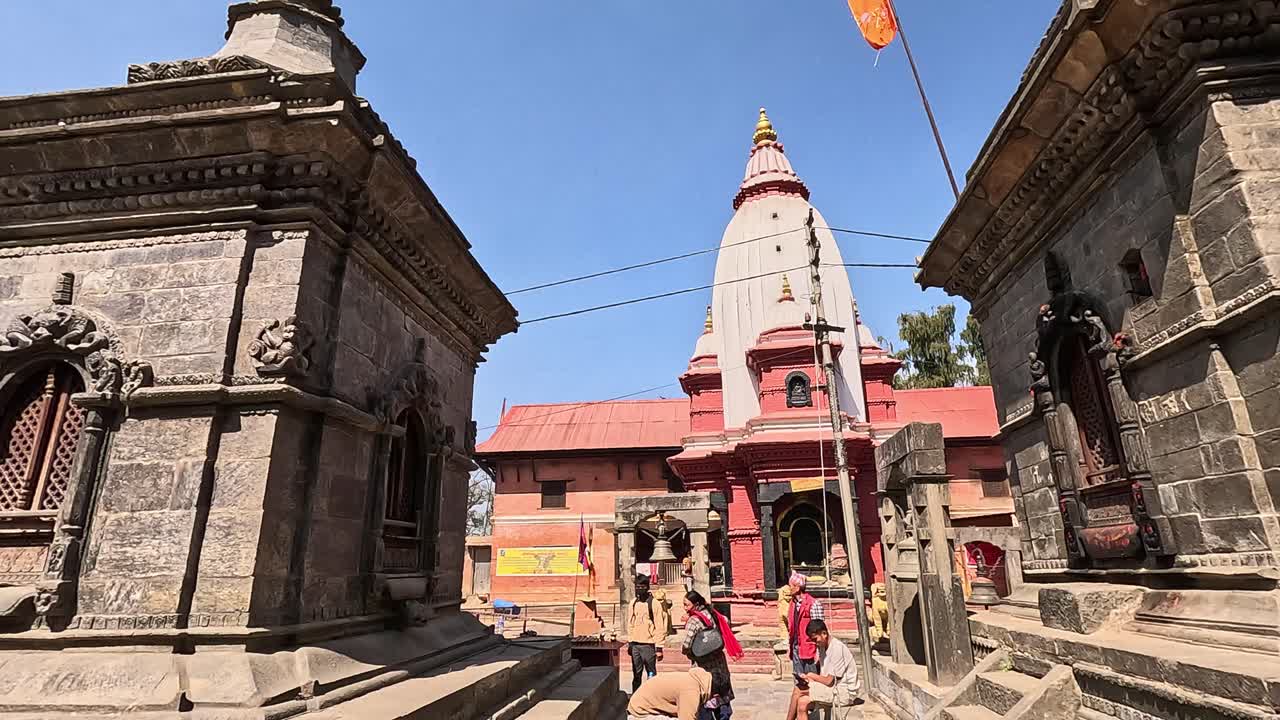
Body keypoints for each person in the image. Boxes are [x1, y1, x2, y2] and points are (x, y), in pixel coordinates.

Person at [681, 590, 743, 720]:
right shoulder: (713, 613)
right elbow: (726, 622)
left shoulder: (694, 621)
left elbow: (686, 644)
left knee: (705, 698)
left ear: (696, 604)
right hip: (720, 664)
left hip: (703, 667)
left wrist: (689, 653)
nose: (685, 608)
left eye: (687, 605)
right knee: (722, 695)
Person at [797, 619, 861, 719]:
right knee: (802, 702)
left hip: (844, 692)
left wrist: (811, 675)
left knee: (799, 690)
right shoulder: (822, 647)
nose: (815, 643)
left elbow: (829, 681)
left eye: (815, 639)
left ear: (824, 633)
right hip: (832, 688)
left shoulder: (837, 648)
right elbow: (824, 677)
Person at [784, 572, 825, 720]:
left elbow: (820, 630)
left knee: (810, 684)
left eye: (792, 585)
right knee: (798, 682)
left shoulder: (813, 604)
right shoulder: (793, 603)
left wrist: (819, 652)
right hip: (796, 647)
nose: (789, 588)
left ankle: (810, 713)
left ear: (799, 587)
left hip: (809, 649)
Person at [628, 573, 670, 692]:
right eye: (637, 586)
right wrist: (630, 642)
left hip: (649, 645)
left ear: (647, 587)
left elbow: (660, 627)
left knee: (651, 673)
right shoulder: (633, 603)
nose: (639, 589)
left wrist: (659, 648)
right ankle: (635, 698)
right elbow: (630, 623)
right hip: (636, 644)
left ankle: (652, 697)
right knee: (636, 674)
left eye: (642, 587)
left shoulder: (654, 604)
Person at [627, 666, 712, 720]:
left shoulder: (693, 679)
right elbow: (687, 718)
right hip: (641, 713)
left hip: (640, 706)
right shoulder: (691, 690)